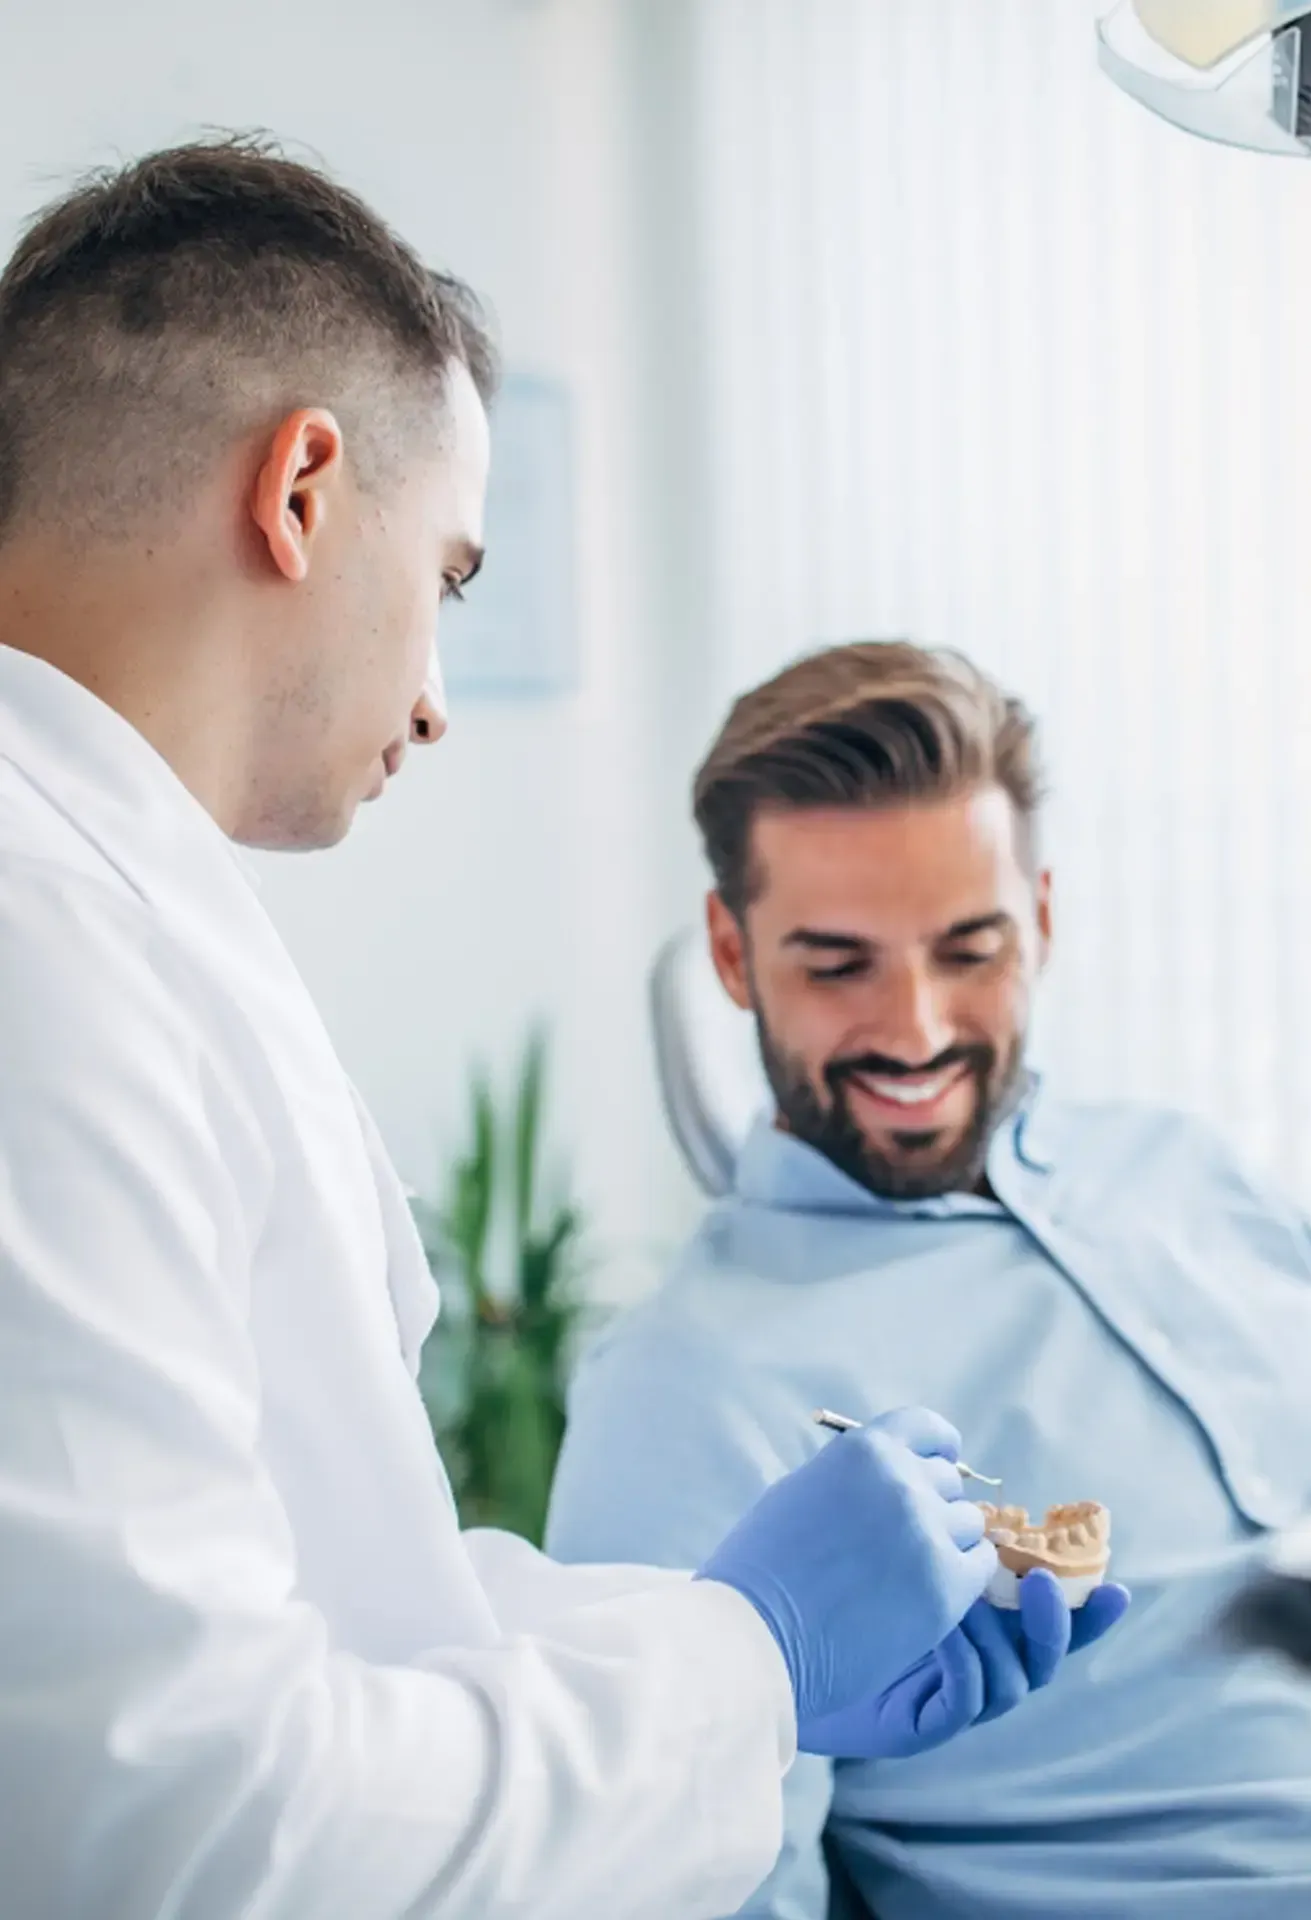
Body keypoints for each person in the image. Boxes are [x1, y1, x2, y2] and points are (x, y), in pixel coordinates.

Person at [0, 144, 1116, 1920]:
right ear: (302, 488)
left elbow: (344, 1617)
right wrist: (750, 1652)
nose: (437, 702)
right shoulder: (35, 949)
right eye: (449, 575)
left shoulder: (105, 908)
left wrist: (744, 1668)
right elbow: (181, 1830)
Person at [547, 639, 1311, 1919]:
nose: (917, 1029)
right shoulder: (684, 1391)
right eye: (837, 964)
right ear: (731, 952)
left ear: (1040, 918)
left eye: (968, 949)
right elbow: (705, 1889)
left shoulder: (1199, 1179)